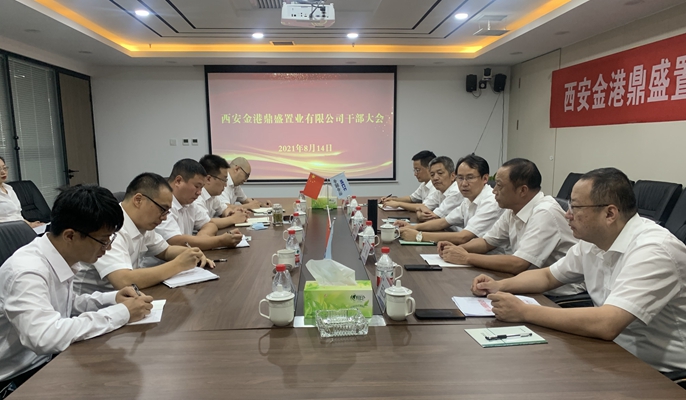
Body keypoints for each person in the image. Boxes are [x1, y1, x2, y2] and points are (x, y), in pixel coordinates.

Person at [471, 167, 686, 373]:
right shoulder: (593, 241)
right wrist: (498, 285)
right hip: (609, 352)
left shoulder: (654, 250)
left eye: (575, 207)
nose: (567, 215)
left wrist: (524, 311)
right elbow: (548, 276)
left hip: (661, 373)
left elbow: (607, 323)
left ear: (610, 213)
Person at [0, 185, 153, 398]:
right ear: (70, 235)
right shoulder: (27, 271)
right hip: (17, 378)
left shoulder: (59, 255)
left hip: (46, 362)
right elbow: (44, 337)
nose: (108, 247)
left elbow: (66, 305)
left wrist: (113, 299)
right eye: (103, 240)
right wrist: (122, 313)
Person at [438, 158, 583, 296]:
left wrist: (466, 257)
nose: (494, 190)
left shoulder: (545, 212)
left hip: (560, 295)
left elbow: (518, 263)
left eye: (499, 185)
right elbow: (487, 242)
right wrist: (456, 249)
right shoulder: (513, 209)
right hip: (528, 283)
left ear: (522, 190)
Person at [73, 173, 214, 295]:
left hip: (123, 299)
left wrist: (191, 254)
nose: (164, 217)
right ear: (138, 200)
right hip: (92, 307)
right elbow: (123, 280)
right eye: (162, 209)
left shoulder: (143, 225)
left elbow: (165, 251)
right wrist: (178, 264)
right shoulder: (110, 227)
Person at [396, 154, 502, 244]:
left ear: (485, 178)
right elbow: (443, 222)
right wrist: (412, 227)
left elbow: (463, 237)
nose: (464, 183)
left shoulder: (491, 202)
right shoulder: (468, 199)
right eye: (460, 178)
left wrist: (418, 235)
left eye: (470, 178)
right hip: (470, 250)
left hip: (492, 257)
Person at [155, 159, 243, 251]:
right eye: (197, 186)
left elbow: (210, 225)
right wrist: (220, 241)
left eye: (201, 188)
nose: (199, 192)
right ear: (178, 181)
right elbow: (176, 241)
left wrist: (202, 239)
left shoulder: (189, 203)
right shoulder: (162, 205)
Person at [197, 155, 249, 229]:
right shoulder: (196, 196)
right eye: (224, 180)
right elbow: (205, 222)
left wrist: (232, 213)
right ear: (208, 179)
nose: (225, 185)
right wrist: (233, 219)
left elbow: (223, 209)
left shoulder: (213, 196)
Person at [0, 156, 44, 228]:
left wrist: (30, 224)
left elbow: (17, 215)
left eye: (4, 168)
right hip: (7, 231)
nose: (3, 172)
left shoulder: (9, 189)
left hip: (20, 228)